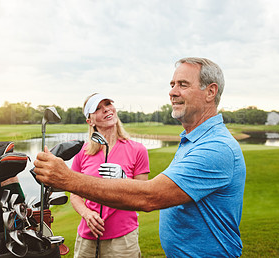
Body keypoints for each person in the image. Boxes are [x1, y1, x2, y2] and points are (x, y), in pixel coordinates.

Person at [34, 57, 247, 257]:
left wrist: (67, 179)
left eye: (183, 84)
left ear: (210, 92)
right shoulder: (191, 141)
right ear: (90, 120)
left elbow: (149, 196)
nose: (172, 92)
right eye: (172, 84)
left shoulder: (216, 148)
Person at [69, 93, 150, 257]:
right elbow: (75, 195)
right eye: (98, 108)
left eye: (108, 104)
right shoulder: (82, 153)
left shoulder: (137, 150)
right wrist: (87, 214)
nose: (106, 109)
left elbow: (143, 196)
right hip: (88, 235)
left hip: (123, 238)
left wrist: (124, 179)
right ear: (90, 121)